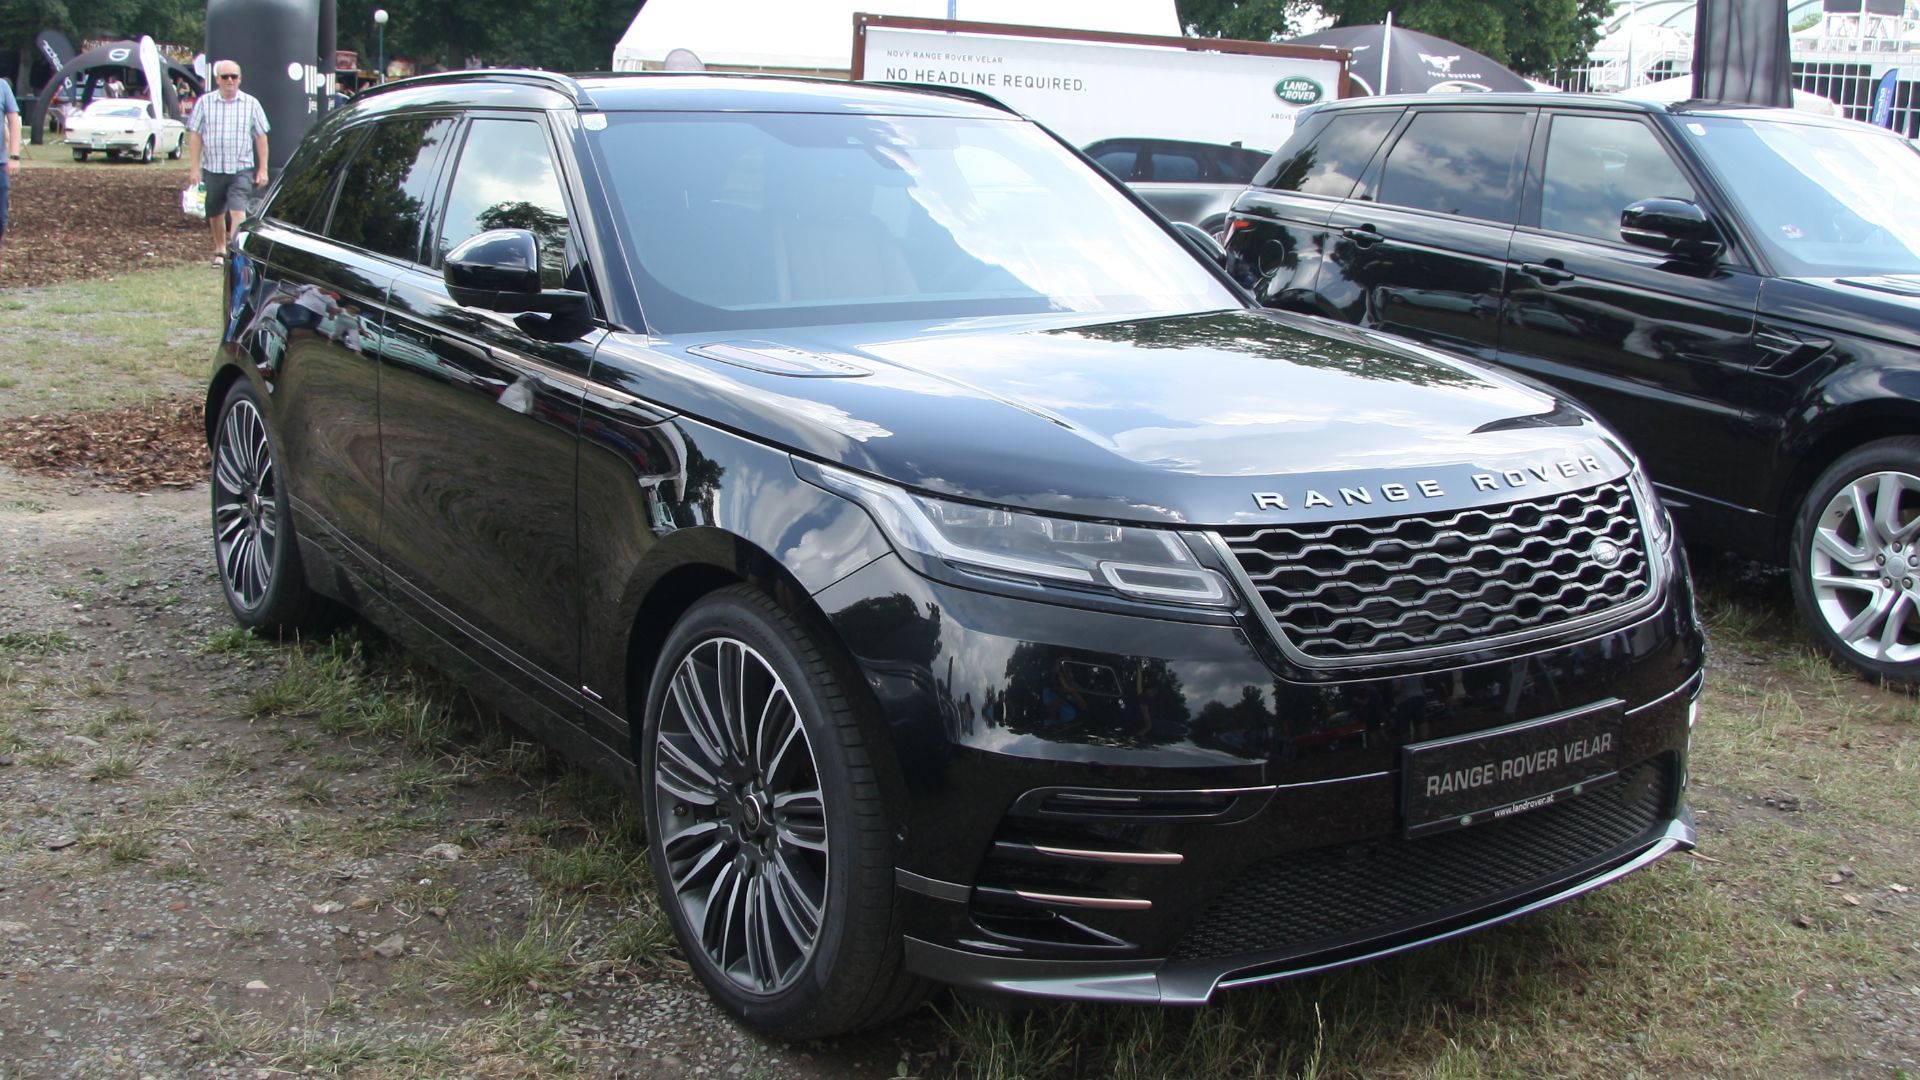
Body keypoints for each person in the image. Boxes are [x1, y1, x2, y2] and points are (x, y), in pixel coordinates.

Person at [186, 60, 270, 267]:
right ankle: (220, 249)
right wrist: (195, 168)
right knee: (215, 213)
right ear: (217, 80)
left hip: (241, 168)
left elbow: (261, 137)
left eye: (234, 76)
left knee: (237, 211)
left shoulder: (251, 104)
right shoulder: (204, 103)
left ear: (240, 79)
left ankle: (234, 252)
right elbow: (195, 136)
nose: (230, 80)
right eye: (225, 77)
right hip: (213, 168)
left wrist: (263, 168)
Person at [1, 76, 20, 266]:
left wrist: (14, 156)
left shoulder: (2, 86)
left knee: (1, 218)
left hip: (0, 165)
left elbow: (13, 121)